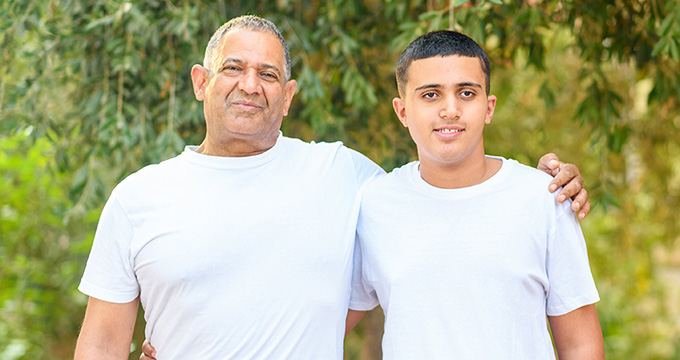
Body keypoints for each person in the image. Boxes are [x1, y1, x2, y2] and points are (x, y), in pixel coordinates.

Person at [74, 16, 589, 360]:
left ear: (289, 94)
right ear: (200, 82)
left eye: (268, 74)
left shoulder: (345, 176)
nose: (251, 85)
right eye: (233, 68)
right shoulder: (138, 198)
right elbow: (99, 343)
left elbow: (445, 189)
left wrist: (554, 180)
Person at [345, 30, 604, 359]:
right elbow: (322, 323)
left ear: (489, 107)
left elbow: (581, 345)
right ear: (402, 111)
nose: (450, 109)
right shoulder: (373, 205)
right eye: (430, 95)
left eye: (466, 92)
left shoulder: (544, 198)